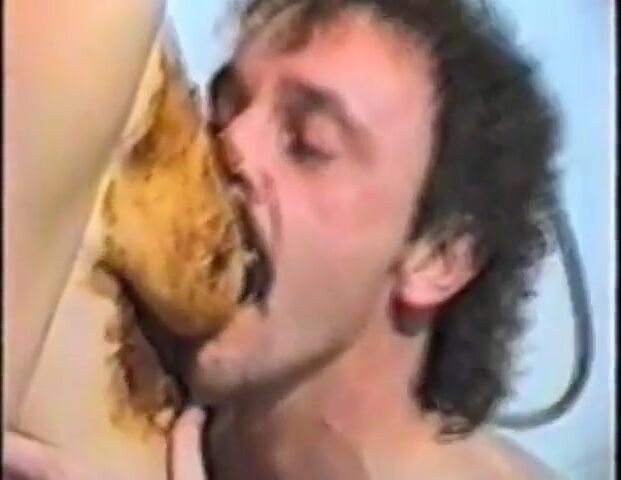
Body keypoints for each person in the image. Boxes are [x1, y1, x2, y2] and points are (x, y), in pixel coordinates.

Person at [4, 0, 562, 478]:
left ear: (438, 256)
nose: (232, 143)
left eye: (307, 143)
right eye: (224, 107)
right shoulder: (129, 413)